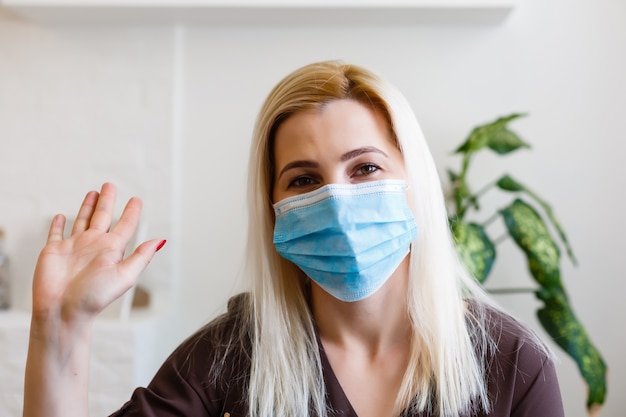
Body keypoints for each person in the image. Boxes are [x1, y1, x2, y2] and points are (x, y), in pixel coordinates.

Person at [23, 60, 564, 417]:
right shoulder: (229, 358)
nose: (337, 200)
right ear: (276, 210)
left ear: (414, 182)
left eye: (366, 169)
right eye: (304, 180)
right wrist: (59, 324)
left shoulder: (513, 365)